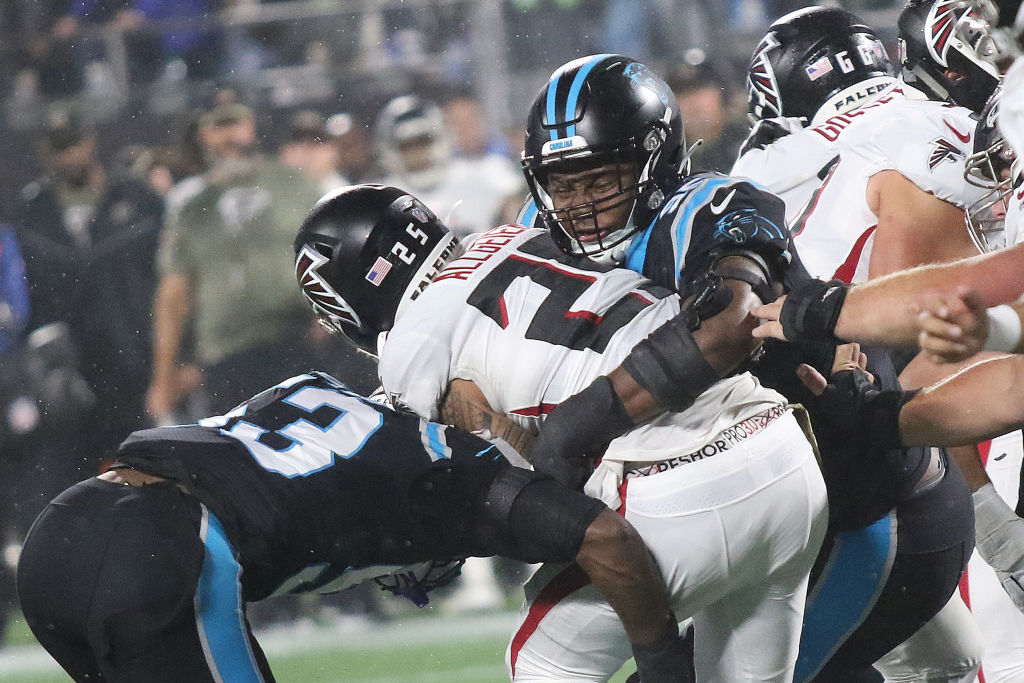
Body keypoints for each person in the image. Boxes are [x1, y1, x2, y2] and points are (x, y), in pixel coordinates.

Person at [517, 50, 978, 682]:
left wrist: (574, 428)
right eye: (563, 185)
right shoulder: (536, 235)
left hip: (872, 510)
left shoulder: (708, 206)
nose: (579, 206)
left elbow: (729, 324)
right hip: (776, 510)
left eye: (602, 181)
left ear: (653, 164)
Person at [297, 181, 826, 683]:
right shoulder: (520, 235)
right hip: (785, 454)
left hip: (681, 483)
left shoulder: (414, 343)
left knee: (541, 662)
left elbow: (511, 486)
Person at [17, 371, 694, 682]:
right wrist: (665, 662)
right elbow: (606, 539)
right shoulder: (463, 474)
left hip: (64, 531)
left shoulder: (322, 393)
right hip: (162, 550)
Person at [146, 99, 324, 424]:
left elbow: (329, 252)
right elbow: (174, 295)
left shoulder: (293, 184)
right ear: (203, 135)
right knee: (242, 463)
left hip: (296, 341)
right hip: (225, 355)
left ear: (252, 126)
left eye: (235, 124)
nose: (230, 137)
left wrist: (331, 320)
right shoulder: (190, 208)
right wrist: (163, 377)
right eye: (219, 126)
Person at [373, 94, 523, 239]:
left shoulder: (484, 173)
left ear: (441, 138)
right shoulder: (383, 198)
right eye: (407, 146)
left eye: (423, 142)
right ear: (390, 151)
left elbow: (520, 201)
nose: (417, 153)